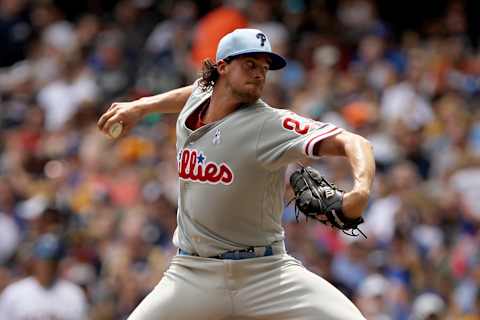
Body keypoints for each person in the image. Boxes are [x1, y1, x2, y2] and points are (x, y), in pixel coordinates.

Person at [98, 28, 375, 320]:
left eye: (264, 68)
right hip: (193, 275)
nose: (259, 74)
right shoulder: (200, 97)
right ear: (222, 67)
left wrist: (361, 191)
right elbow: (195, 92)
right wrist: (141, 107)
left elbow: (355, 142)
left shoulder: (269, 124)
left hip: (267, 274)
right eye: (250, 65)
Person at [0, 233, 88, 320]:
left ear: (59, 263)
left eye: (52, 261)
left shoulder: (73, 294)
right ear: (35, 261)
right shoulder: (14, 293)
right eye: (43, 261)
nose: (47, 267)